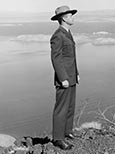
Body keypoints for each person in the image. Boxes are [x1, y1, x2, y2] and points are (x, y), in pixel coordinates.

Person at [50, 5, 79, 150]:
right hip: (65, 78)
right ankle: (58, 139)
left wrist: (76, 73)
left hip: (71, 76)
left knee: (70, 107)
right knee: (61, 108)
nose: (73, 18)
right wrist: (63, 78)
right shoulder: (58, 35)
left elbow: (70, 57)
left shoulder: (67, 33)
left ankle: (67, 132)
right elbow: (56, 58)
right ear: (63, 18)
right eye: (70, 16)